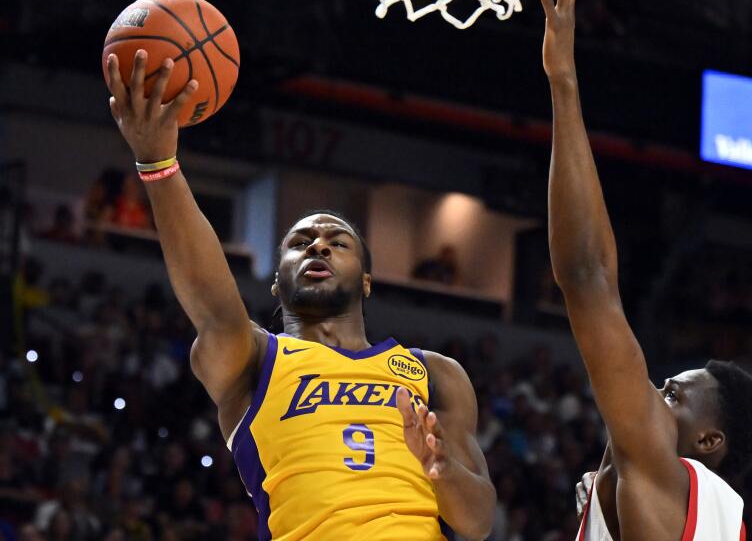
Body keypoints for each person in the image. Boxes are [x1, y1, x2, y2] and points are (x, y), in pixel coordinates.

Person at [104, 50, 494, 541]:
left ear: (367, 281)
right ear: (277, 281)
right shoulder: (253, 358)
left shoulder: (435, 374)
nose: (319, 245)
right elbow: (213, 304)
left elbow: (477, 522)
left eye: (338, 241)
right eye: (299, 242)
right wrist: (159, 164)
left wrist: (441, 468)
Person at [537, 0, 752, 539]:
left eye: (669, 395)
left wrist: (564, 81)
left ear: (707, 442)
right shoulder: (718, 518)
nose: (646, 392)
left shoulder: (665, 476)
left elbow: (587, 277)